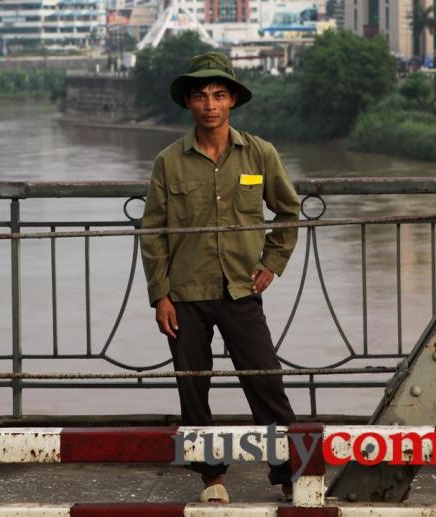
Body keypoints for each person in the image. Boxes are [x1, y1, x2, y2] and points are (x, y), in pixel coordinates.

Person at [139, 52, 301, 504]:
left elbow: (289, 211)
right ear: (189, 104)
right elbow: (151, 233)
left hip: (241, 289)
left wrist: (272, 262)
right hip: (185, 295)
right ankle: (211, 477)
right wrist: (160, 296)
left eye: (219, 95)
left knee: (265, 380)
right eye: (200, 96)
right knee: (193, 387)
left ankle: (289, 474)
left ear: (232, 102)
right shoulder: (168, 162)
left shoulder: (260, 153)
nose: (209, 104)